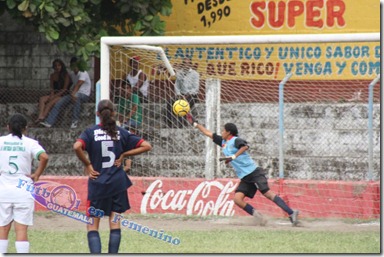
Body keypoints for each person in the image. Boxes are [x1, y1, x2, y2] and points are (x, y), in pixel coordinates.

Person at [186, 114, 299, 226]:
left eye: (223, 130)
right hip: (245, 177)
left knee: (267, 194)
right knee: (237, 199)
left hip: (254, 172)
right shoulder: (223, 142)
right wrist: (196, 124)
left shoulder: (235, 140)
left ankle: (291, 213)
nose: (222, 132)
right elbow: (208, 133)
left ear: (229, 132)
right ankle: (259, 217)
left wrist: (233, 157)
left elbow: (245, 146)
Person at [73, 99, 152, 253]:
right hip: (117, 184)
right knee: (115, 223)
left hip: (98, 183)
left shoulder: (90, 132)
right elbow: (147, 146)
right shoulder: (122, 132)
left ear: (97, 114)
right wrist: (124, 154)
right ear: (114, 113)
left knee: (92, 224)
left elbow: (77, 146)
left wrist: (88, 165)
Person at [0, 114, 49, 253]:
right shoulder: (30, 143)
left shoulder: (1, 141)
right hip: (23, 189)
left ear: (8, 127)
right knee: (21, 230)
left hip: (3, 189)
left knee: (2, 228)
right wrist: (37, 174)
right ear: (25, 128)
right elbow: (44, 156)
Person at [40, 57, 92, 129]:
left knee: (77, 98)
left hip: (84, 95)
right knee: (59, 102)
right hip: (73, 93)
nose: (75, 67)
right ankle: (49, 122)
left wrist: (73, 94)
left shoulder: (83, 72)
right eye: (73, 65)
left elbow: (78, 84)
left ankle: (75, 121)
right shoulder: (72, 74)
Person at [166, 57, 200, 128]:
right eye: (184, 63)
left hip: (191, 95)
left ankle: (182, 123)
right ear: (182, 64)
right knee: (170, 102)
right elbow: (177, 86)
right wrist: (179, 94)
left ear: (190, 65)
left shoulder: (195, 74)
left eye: (188, 63)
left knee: (183, 104)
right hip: (181, 95)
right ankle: (170, 122)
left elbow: (196, 88)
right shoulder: (179, 73)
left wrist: (187, 94)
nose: (186, 65)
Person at [35, 59, 71, 124]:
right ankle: (40, 116)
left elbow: (65, 89)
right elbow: (52, 88)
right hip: (55, 94)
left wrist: (54, 96)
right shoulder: (52, 75)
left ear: (62, 66)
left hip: (62, 95)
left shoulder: (66, 75)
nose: (57, 67)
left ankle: (43, 117)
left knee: (50, 103)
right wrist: (52, 95)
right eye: (55, 66)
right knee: (42, 99)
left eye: (59, 65)